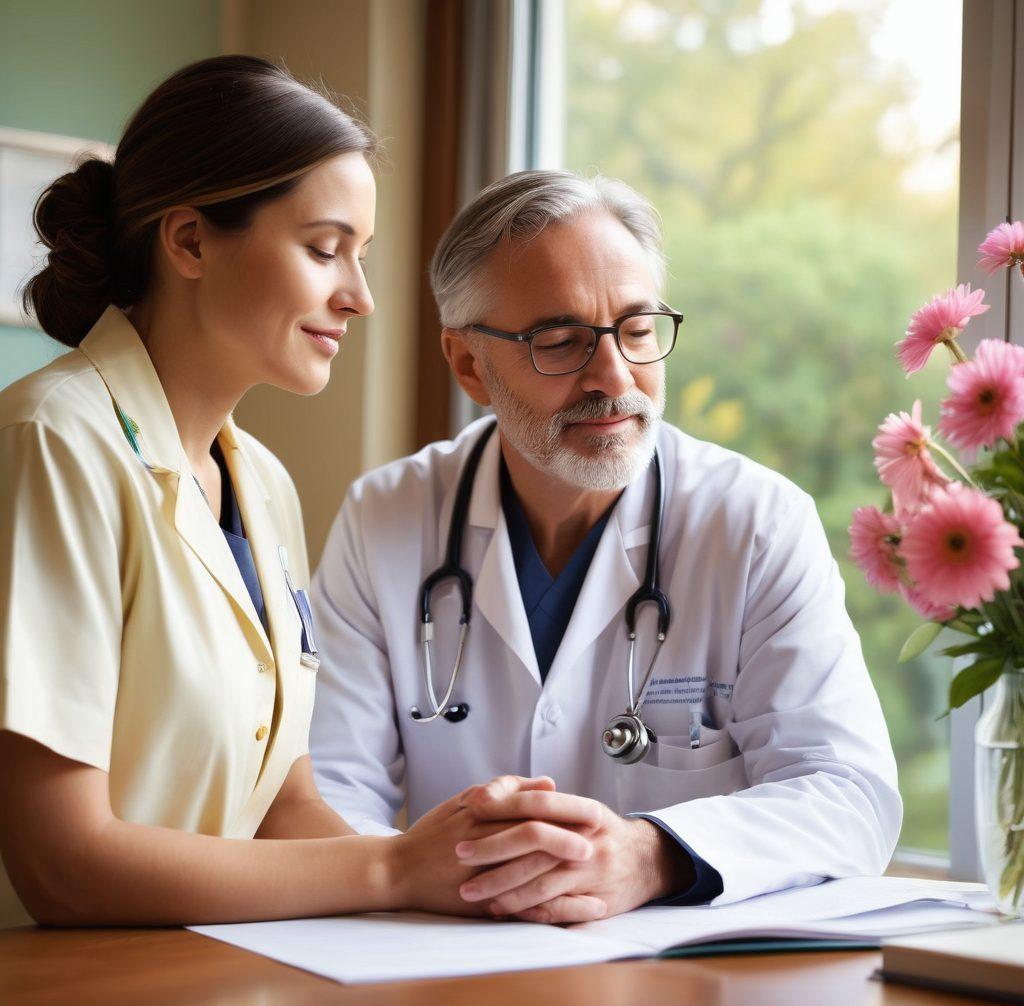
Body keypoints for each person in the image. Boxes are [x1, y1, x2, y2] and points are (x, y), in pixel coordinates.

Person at [0, 58, 587, 929]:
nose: (360, 298)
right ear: (191, 241)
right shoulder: (53, 441)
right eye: (325, 249)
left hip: (219, 978)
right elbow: (65, 864)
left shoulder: (261, 482)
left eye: (361, 255)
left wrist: (469, 864)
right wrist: (392, 870)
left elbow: (282, 811)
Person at [309, 169, 903, 925]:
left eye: (638, 329)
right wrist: (425, 880)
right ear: (467, 365)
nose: (613, 376)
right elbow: (327, 788)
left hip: (683, 985)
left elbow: (851, 795)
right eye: (559, 341)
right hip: (449, 958)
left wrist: (650, 856)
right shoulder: (386, 517)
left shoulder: (755, 524)